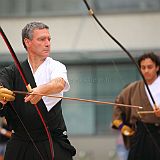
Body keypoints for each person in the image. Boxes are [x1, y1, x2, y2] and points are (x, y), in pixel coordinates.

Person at [0, 22, 76, 160]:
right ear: (27, 42)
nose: (47, 43)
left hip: (50, 139)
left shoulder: (56, 66)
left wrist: (41, 90)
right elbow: (2, 86)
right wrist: (1, 95)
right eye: (42, 39)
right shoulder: (10, 72)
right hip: (20, 141)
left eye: (49, 39)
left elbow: (59, 83)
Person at [112, 52, 160, 160]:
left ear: (157, 67)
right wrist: (122, 127)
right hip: (140, 135)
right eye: (143, 67)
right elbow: (118, 105)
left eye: (149, 67)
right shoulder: (133, 88)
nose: (146, 70)